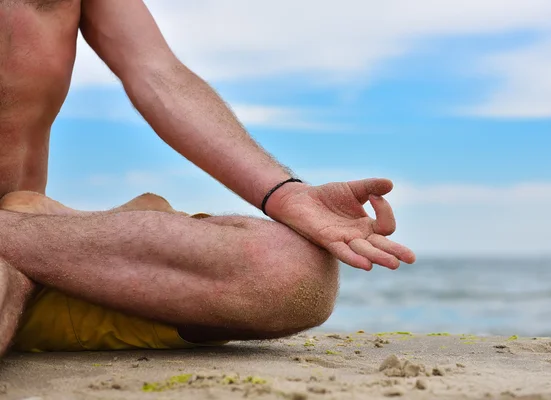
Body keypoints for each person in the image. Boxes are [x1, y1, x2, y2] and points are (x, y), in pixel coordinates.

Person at [0, 0, 415, 356]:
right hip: (36, 256)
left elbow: (157, 73)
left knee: (290, 273)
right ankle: (30, 234)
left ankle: (22, 236)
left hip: (48, 260)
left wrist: (286, 194)